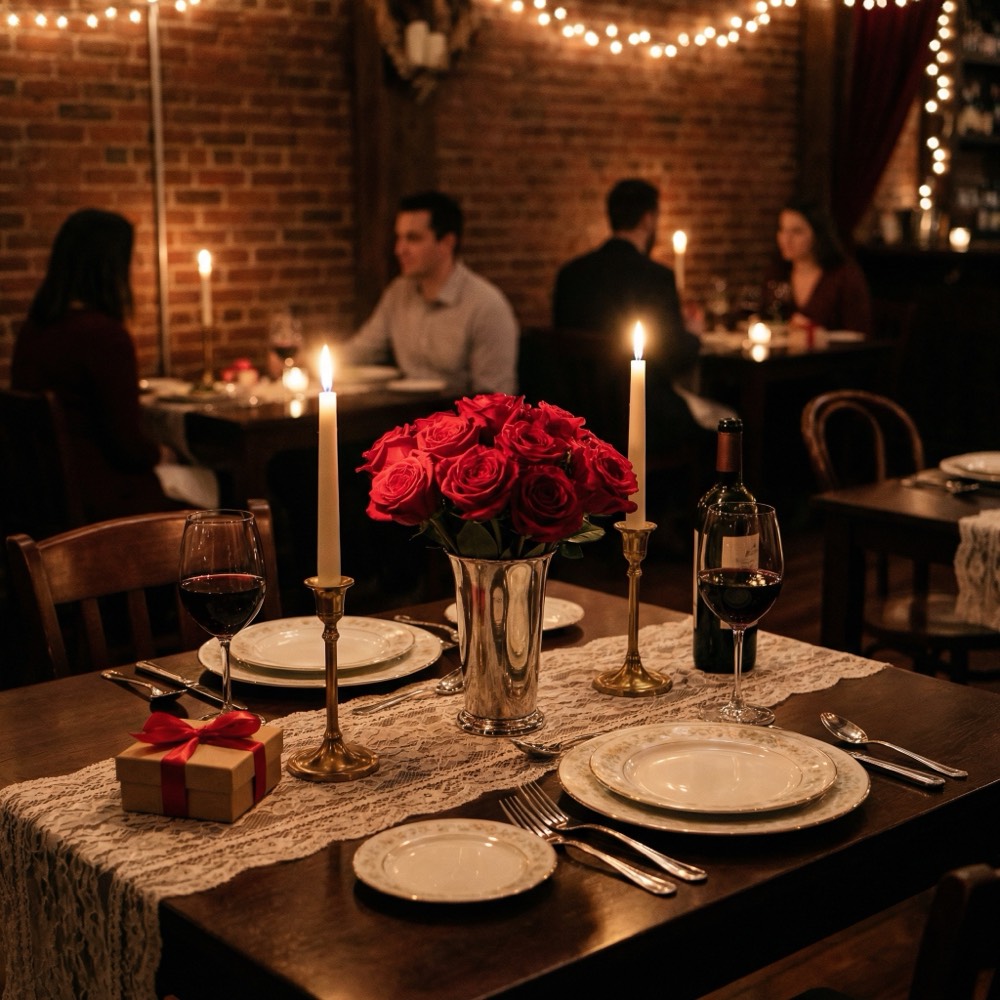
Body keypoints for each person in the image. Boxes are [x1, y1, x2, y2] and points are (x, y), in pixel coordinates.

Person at [11, 208, 214, 522]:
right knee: (213, 481)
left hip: (43, 499)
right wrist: (163, 452)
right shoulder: (103, 336)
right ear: (109, 269)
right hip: (103, 502)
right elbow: (128, 448)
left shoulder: (34, 330)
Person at [341, 191, 519, 395]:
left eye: (413, 238)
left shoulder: (486, 306)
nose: (400, 249)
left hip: (455, 413)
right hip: (405, 410)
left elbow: (496, 396)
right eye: (399, 238)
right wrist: (314, 363)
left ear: (447, 243)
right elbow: (364, 349)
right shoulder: (399, 292)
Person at [552, 178, 701, 380]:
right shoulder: (657, 277)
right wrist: (692, 335)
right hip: (644, 396)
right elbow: (674, 357)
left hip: (576, 396)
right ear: (648, 219)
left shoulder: (570, 274)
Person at [767, 200, 873, 335]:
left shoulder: (844, 276)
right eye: (782, 230)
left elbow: (860, 333)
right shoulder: (778, 273)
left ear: (817, 234)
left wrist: (816, 334)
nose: (786, 239)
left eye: (797, 231)